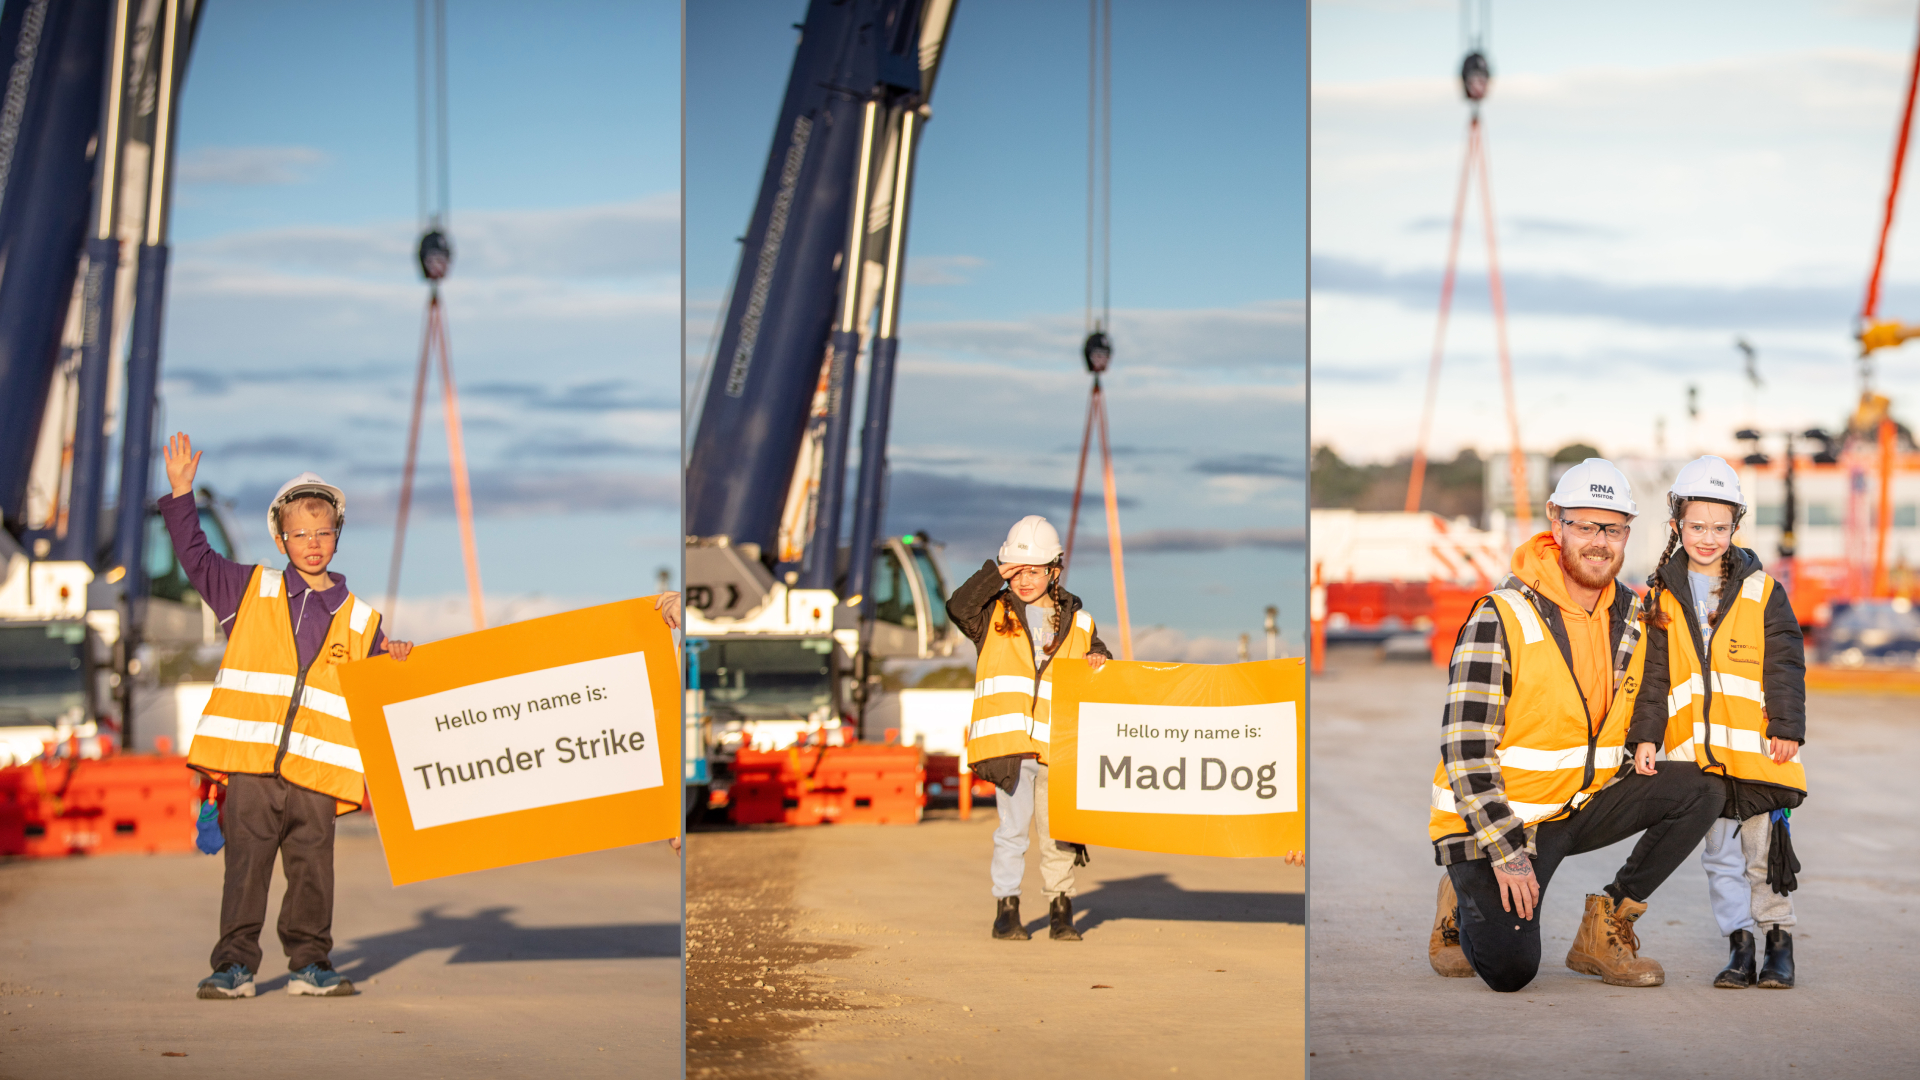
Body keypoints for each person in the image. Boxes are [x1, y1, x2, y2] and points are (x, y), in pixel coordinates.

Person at [1425, 459, 1723, 992]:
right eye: (1585, 525)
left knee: (1703, 786)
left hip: (1576, 807)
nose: (1599, 541)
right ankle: (1460, 898)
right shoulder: (1502, 616)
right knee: (1510, 971)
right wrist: (1508, 856)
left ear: (1627, 533)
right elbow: (1465, 750)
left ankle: (1607, 922)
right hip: (1497, 826)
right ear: (1555, 522)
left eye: (1612, 528)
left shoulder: (1633, 614)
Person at [162, 433, 413, 1000]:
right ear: (280, 537)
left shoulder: (362, 621)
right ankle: (234, 967)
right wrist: (180, 495)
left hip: (317, 774)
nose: (312, 543)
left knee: (312, 872)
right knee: (245, 869)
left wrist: (394, 656)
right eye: (300, 533)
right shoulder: (248, 590)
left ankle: (310, 964)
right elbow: (195, 557)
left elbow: (380, 691)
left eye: (323, 532)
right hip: (252, 767)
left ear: (337, 538)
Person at [1628, 456, 1806, 989]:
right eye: (1697, 526)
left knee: (1761, 855)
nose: (1708, 537)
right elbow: (1653, 676)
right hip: (1695, 758)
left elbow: (1785, 661)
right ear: (1677, 523)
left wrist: (1787, 726)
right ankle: (1739, 945)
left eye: (1720, 527)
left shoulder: (1762, 590)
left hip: (1755, 750)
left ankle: (1778, 941)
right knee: (1719, 858)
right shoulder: (1660, 596)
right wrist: (1645, 738)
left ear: (1736, 525)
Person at [947, 515, 1109, 941]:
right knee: (1012, 833)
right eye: (1017, 571)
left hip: (1058, 749)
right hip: (1013, 747)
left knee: (1060, 835)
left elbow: (1101, 664)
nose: (1024, 580)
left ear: (1054, 571)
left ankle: (1061, 909)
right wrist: (995, 572)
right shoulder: (991, 614)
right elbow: (957, 606)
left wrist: (1099, 661)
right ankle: (1007, 909)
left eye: (1034, 570)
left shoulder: (1080, 622)